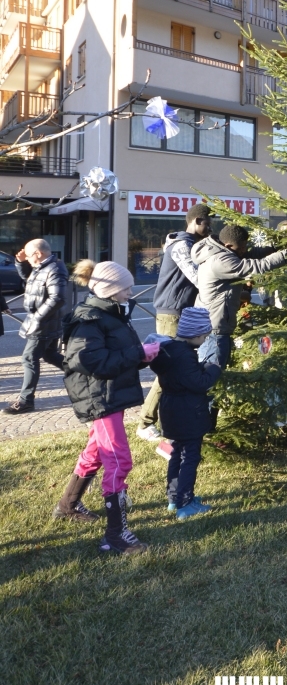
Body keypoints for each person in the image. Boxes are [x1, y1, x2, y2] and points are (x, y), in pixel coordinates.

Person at [55, 261, 160, 554]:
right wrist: (138, 352)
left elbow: (116, 354)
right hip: (99, 398)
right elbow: (90, 361)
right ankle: (116, 536)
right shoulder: (89, 319)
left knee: (94, 452)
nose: (130, 292)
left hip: (111, 394)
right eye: (126, 287)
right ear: (110, 290)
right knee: (118, 461)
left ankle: (67, 506)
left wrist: (143, 355)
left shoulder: (111, 313)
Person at [136, 204, 212, 443]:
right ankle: (145, 422)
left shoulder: (190, 243)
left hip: (183, 310)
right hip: (173, 313)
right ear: (197, 220)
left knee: (179, 366)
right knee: (171, 367)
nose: (210, 227)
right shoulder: (182, 246)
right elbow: (198, 277)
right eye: (208, 222)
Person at [192, 223, 287, 369]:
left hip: (215, 328)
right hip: (214, 331)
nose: (245, 250)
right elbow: (257, 266)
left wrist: (280, 244)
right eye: (241, 248)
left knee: (214, 374)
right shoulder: (219, 262)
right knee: (210, 376)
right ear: (228, 246)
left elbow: (253, 254)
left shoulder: (220, 252)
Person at [148, 305, 222, 520]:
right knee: (190, 457)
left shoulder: (168, 349)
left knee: (176, 454)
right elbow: (199, 383)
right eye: (205, 335)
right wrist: (213, 368)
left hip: (170, 408)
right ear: (197, 334)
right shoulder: (185, 356)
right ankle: (185, 503)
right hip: (188, 412)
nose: (206, 339)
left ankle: (174, 498)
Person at [3, 239, 68, 415]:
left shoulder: (54, 269)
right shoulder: (42, 267)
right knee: (50, 355)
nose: (29, 260)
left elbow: (57, 298)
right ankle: (85, 373)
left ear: (38, 254)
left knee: (29, 359)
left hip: (45, 322)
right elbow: (29, 279)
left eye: (30, 256)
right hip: (45, 321)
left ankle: (26, 401)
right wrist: (20, 262)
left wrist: (38, 317)